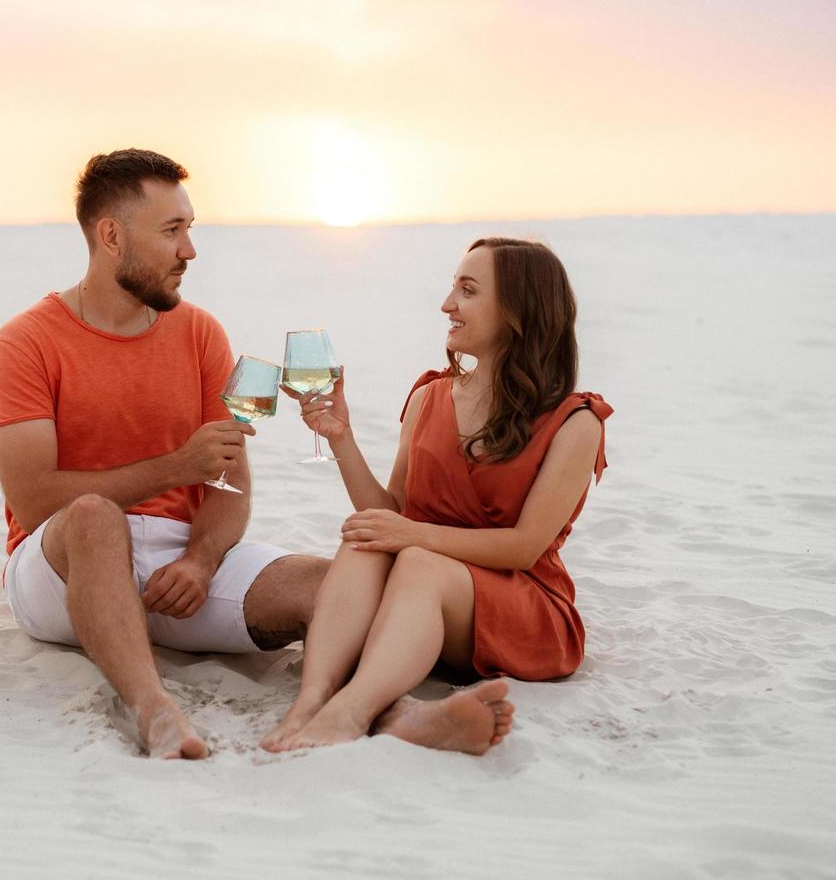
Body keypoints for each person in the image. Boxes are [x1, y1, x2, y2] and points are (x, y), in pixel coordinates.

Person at [0, 148, 329, 760]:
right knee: (94, 515)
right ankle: (154, 709)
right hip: (61, 565)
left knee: (328, 583)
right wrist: (175, 468)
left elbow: (230, 482)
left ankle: (366, 710)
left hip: (176, 565)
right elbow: (33, 500)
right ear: (111, 236)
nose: (189, 251)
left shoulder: (200, 332)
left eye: (189, 230)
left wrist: (199, 561)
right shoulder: (25, 341)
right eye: (172, 232)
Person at [261, 237, 612, 755]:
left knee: (417, 559)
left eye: (467, 291)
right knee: (365, 539)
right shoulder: (429, 395)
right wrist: (341, 438)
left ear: (517, 310)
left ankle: (350, 711)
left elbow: (524, 547)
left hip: (523, 606)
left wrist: (412, 536)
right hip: (427, 604)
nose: (447, 304)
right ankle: (311, 699)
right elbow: (391, 515)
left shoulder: (575, 422)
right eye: (453, 287)